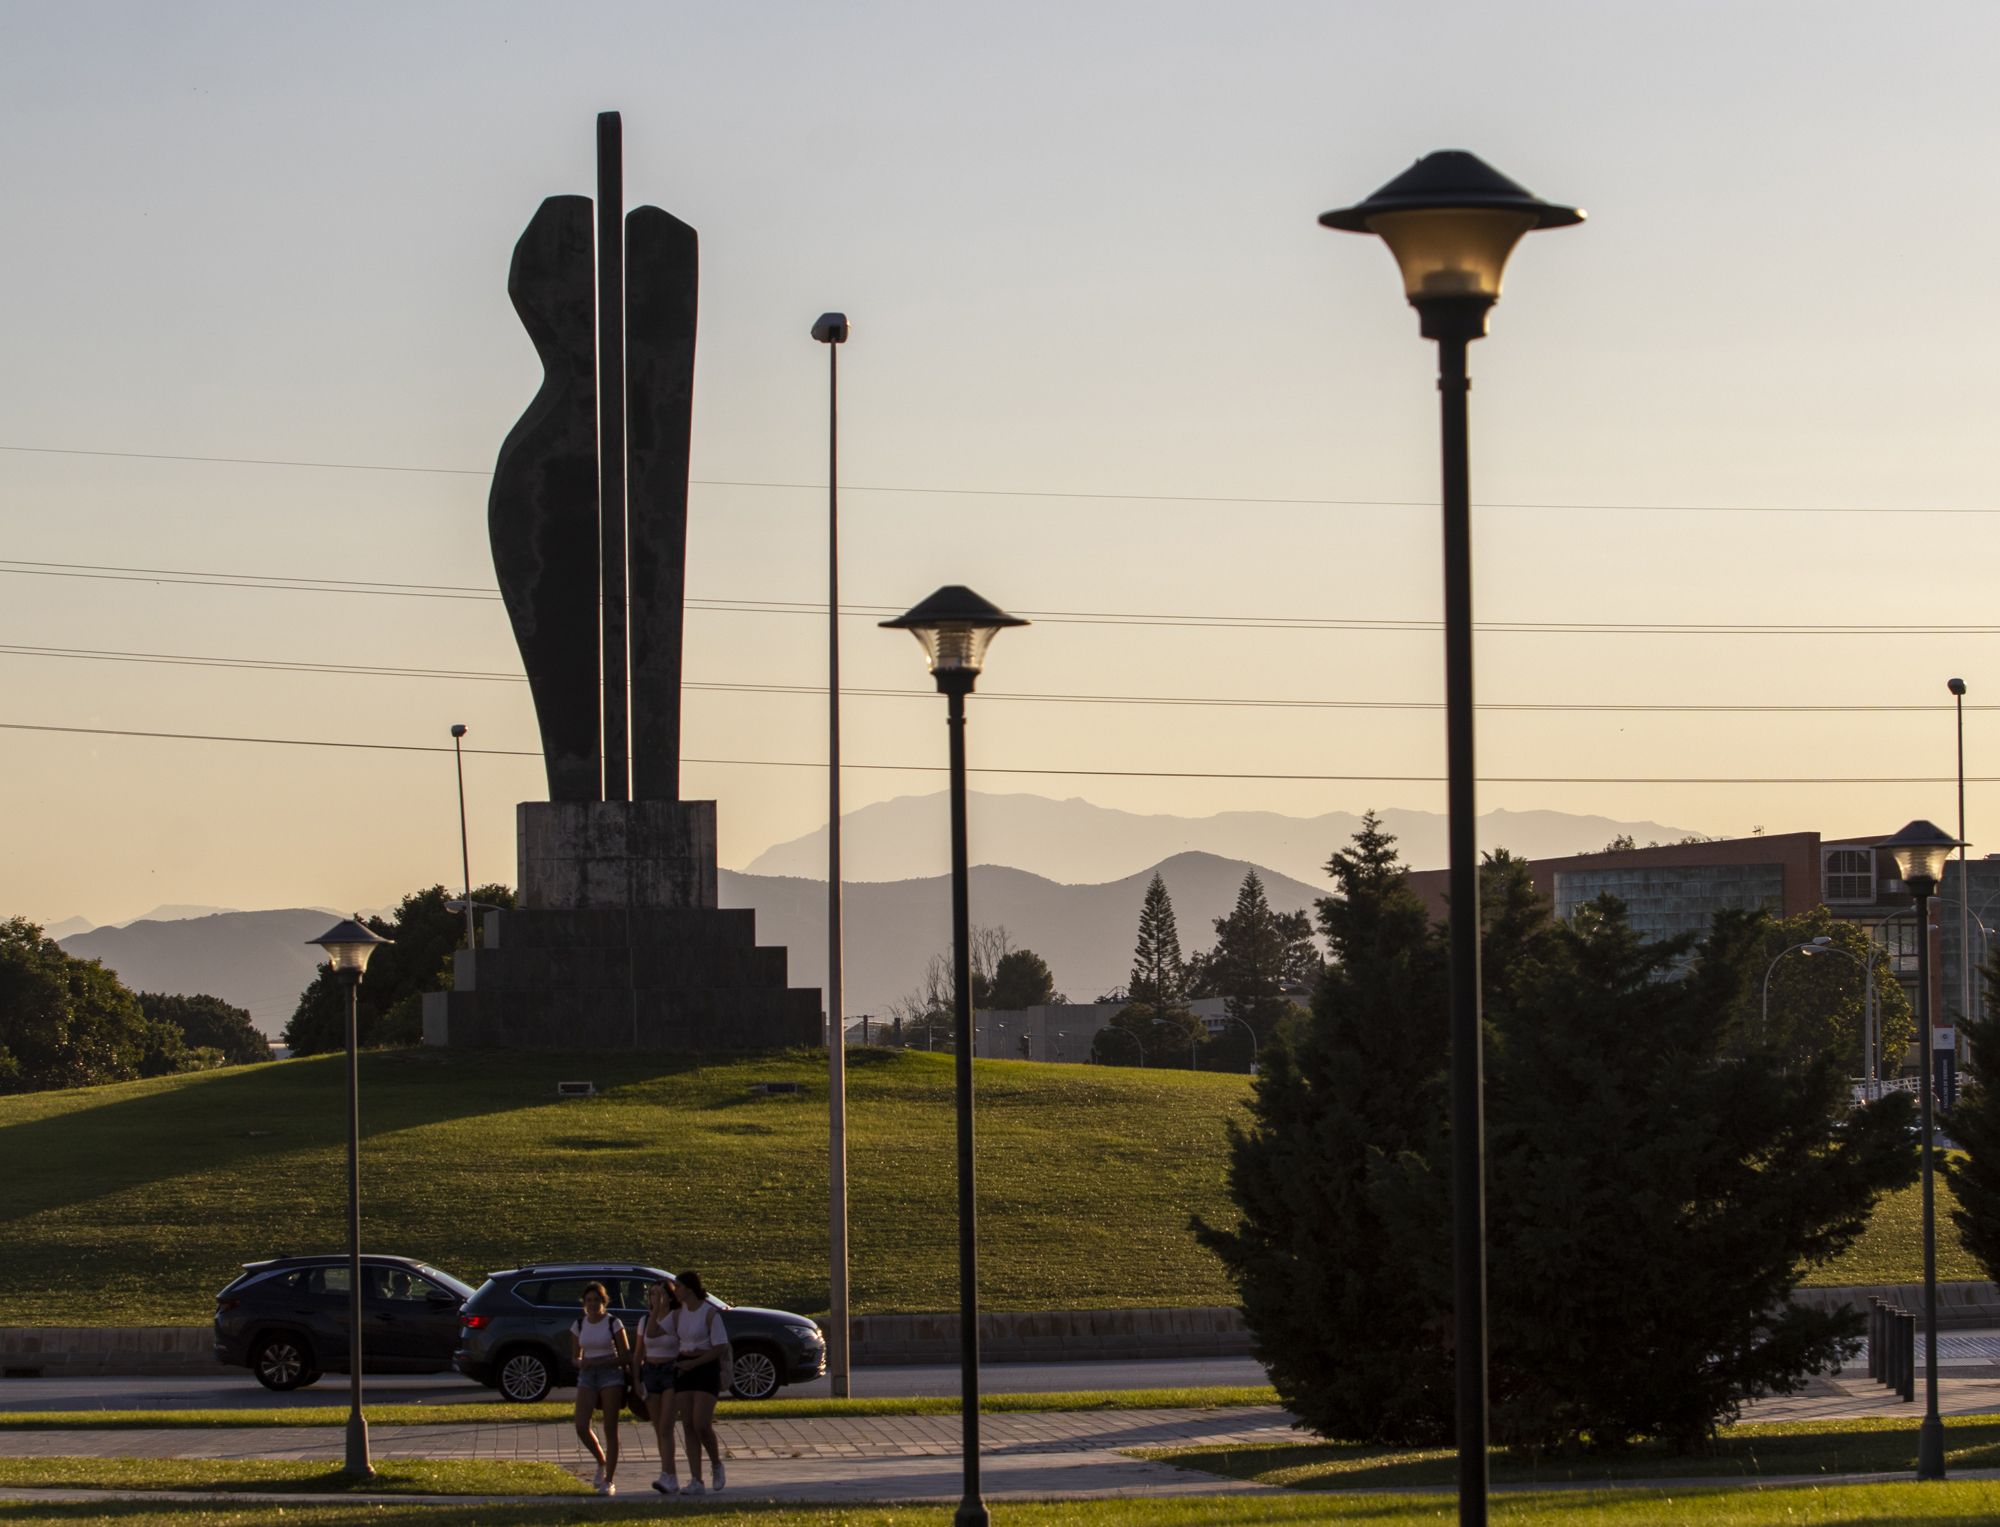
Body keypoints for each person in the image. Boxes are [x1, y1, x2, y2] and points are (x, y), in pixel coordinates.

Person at [670, 1269, 729, 1494]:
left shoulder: (709, 1313)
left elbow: (719, 1346)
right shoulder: (678, 1313)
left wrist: (694, 1364)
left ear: (690, 1289)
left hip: (705, 1367)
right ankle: (696, 1479)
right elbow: (658, 1332)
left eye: (678, 1287)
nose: (675, 1291)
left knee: (701, 1423)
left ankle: (716, 1464)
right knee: (687, 1424)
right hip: (684, 1367)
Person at [569, 1281, 629, 1496]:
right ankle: (601, 1461)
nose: (592, 1304)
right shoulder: (579, 1324)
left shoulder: (613, 1323)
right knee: (580, 1424)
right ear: (584, 1303)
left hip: (610, 1373)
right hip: (587, 1374)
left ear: (603, 1302)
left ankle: (609, 1481)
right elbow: (575, 1356)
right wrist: (579, 1362)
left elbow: (625, 1355)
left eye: (596, 1300)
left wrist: (603, 1363)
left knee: (610, 1427)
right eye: (588, 1301)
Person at [633, 1278, 682, 1495]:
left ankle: (667, 1474)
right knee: (658, 1428)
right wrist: (636, 1379)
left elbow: (657, 1334)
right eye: (652, 1294)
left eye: (660, 1293)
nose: (656, 1298)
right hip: (651, 1373)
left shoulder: (676, 1318)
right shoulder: (646, 1320)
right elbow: (639, 1352)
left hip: (671, 1372)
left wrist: (663, 1307)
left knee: (666, 1426)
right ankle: (669, 1475)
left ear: (670, 1296)